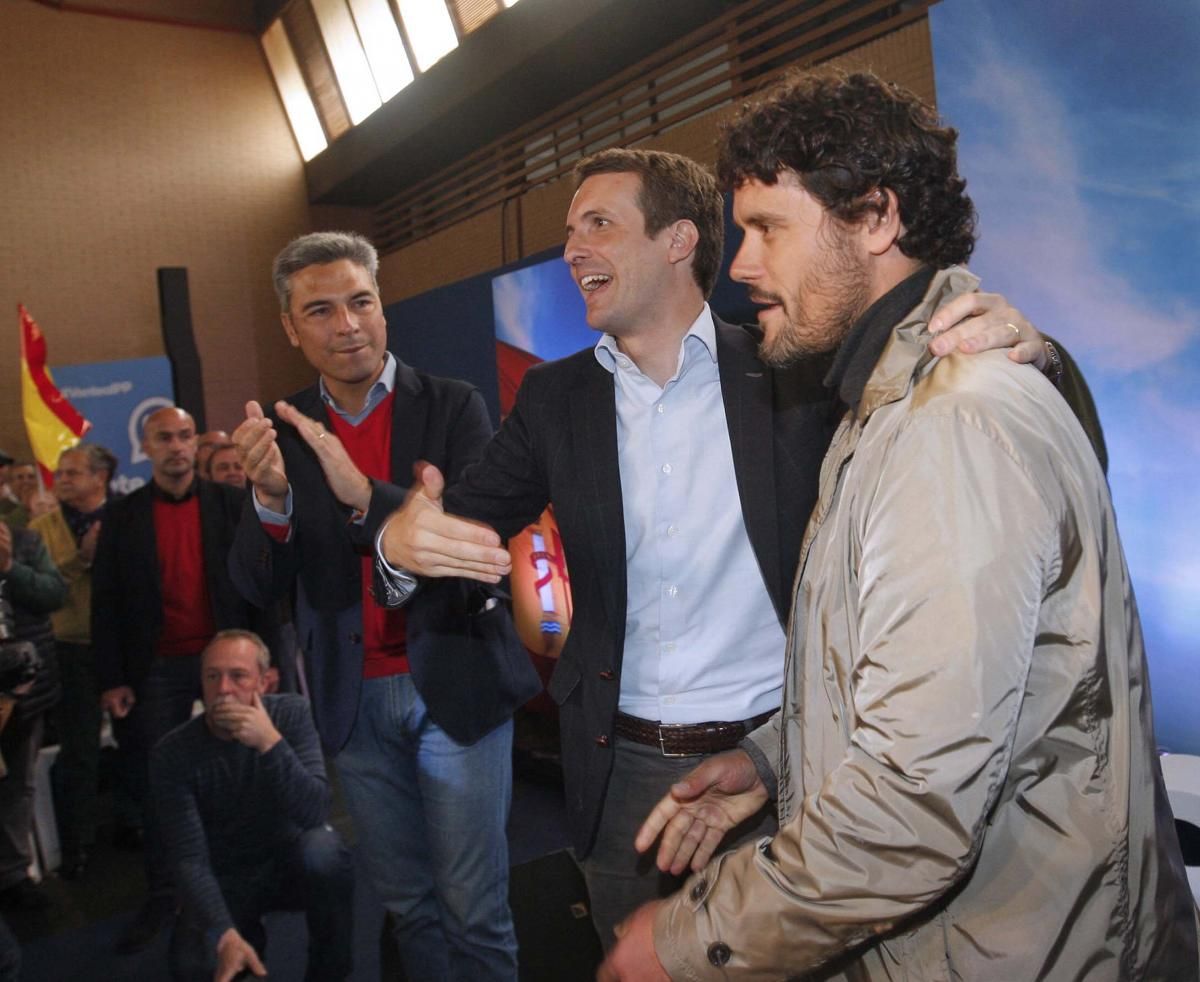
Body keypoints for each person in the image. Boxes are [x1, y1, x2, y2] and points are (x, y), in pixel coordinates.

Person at [376, 147, 1067, 946]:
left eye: (598, 223)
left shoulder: (791, 366)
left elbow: (948, 398)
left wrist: (1031, 349)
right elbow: (448, 530)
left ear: (677, 241)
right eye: (569, 231)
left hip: (786, 759)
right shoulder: (553, 399)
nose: (571, 250)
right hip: (620, 772)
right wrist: (398, 542)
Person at [600, 69, 1198, 981]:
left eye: (767, 229)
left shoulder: (947, 422)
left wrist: (684, 942)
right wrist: (773, 759)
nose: (742, 266)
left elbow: (913, 812)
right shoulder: (891, 399)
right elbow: (919, 680)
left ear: (876, 219)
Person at [230, 231, 539, 981]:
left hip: (455, 678)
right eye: (322, 310)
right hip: (353, 700)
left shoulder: (454, 405)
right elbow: (251, 584)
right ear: (291, 328)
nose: (348, 325)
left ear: (383, 307)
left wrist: (369, 500)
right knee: (410, 907)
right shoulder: (281, 433)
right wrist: (270, 501)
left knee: (475, 906)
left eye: (361, 301)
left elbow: (473, 539)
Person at [92, 406, 275, 954]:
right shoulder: (123, 516)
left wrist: (265, 661)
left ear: (196, 443)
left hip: (226, 657)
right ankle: (165, 891)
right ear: (145, 447)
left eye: (185, 436)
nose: (176, 446)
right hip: (156, 667)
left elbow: (259, 578)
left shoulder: (229, 504)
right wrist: (113, 677)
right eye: (164, 437)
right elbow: (107, 603)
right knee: (159, 782)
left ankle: (250, 882)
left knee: (245, 768)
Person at [152, 630, 353, 982]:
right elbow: (188, 857)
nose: (224, 689)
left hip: (288, 864)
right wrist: (225, 934)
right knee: (193, 967)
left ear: (264, 682)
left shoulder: (290, 715)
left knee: (326, 851)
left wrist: (269, 743)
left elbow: (315, 812)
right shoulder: (173, 753)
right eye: (212, 676)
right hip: (226, 876)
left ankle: (329, 972)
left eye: (238, 676)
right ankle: (244, 939)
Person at [30, 443, 117, 879]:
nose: (61, 479)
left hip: (122, 645)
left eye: (71, 472)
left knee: (137, 741)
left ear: (99, 478)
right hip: (70, 649)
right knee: (79, 749)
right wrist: (79, 559)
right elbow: (38, 588)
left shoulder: (125, 516)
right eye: (60, 473)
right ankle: (78, 843)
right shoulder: (41, 528)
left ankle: (135, 823)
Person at [0, 521, 64, 910]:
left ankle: (13, 874)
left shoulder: (24, 539)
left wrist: (8, 566)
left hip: (21, 691)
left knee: (18, 786)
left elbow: (53, 594)